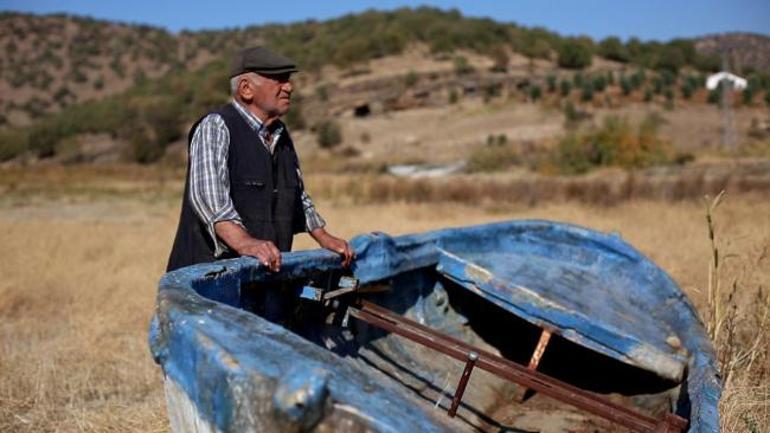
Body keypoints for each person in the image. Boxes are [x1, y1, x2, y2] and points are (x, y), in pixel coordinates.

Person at [167, 46, 353, 273]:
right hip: (206, 281)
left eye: (289, 80)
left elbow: (298, 197)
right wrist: (246, 243)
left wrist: (323, 237)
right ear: (246, 89)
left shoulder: (280, 135)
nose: (289, 87)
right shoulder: (216, 126)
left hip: (262, 277)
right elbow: (209, 199)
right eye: (279, 80)